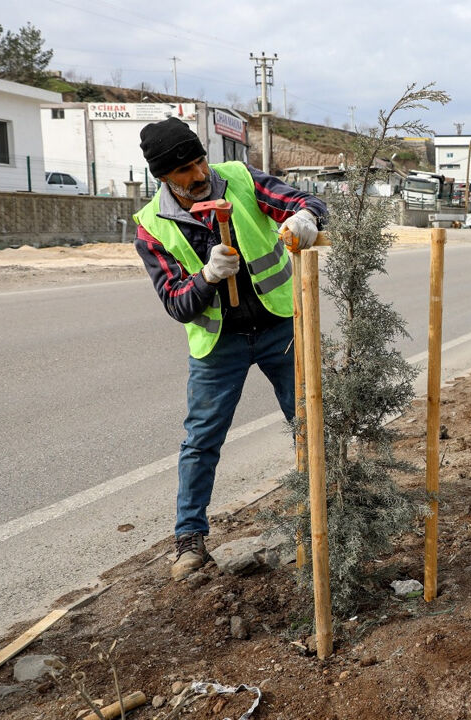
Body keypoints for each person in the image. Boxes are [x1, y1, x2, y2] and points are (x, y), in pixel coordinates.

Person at [132, 117, 327, 580]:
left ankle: (327, 511)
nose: (199, 174)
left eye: (200, 161)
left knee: (311, 419)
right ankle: (189, 538)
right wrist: (207, 277)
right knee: (201, 441)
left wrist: (306, 218)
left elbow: (302, 201)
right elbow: (177, 304)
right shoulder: (152, 227)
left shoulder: (238, 178)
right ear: (163, 176)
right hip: (219, 345)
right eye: (185, 170)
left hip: (279, 326)